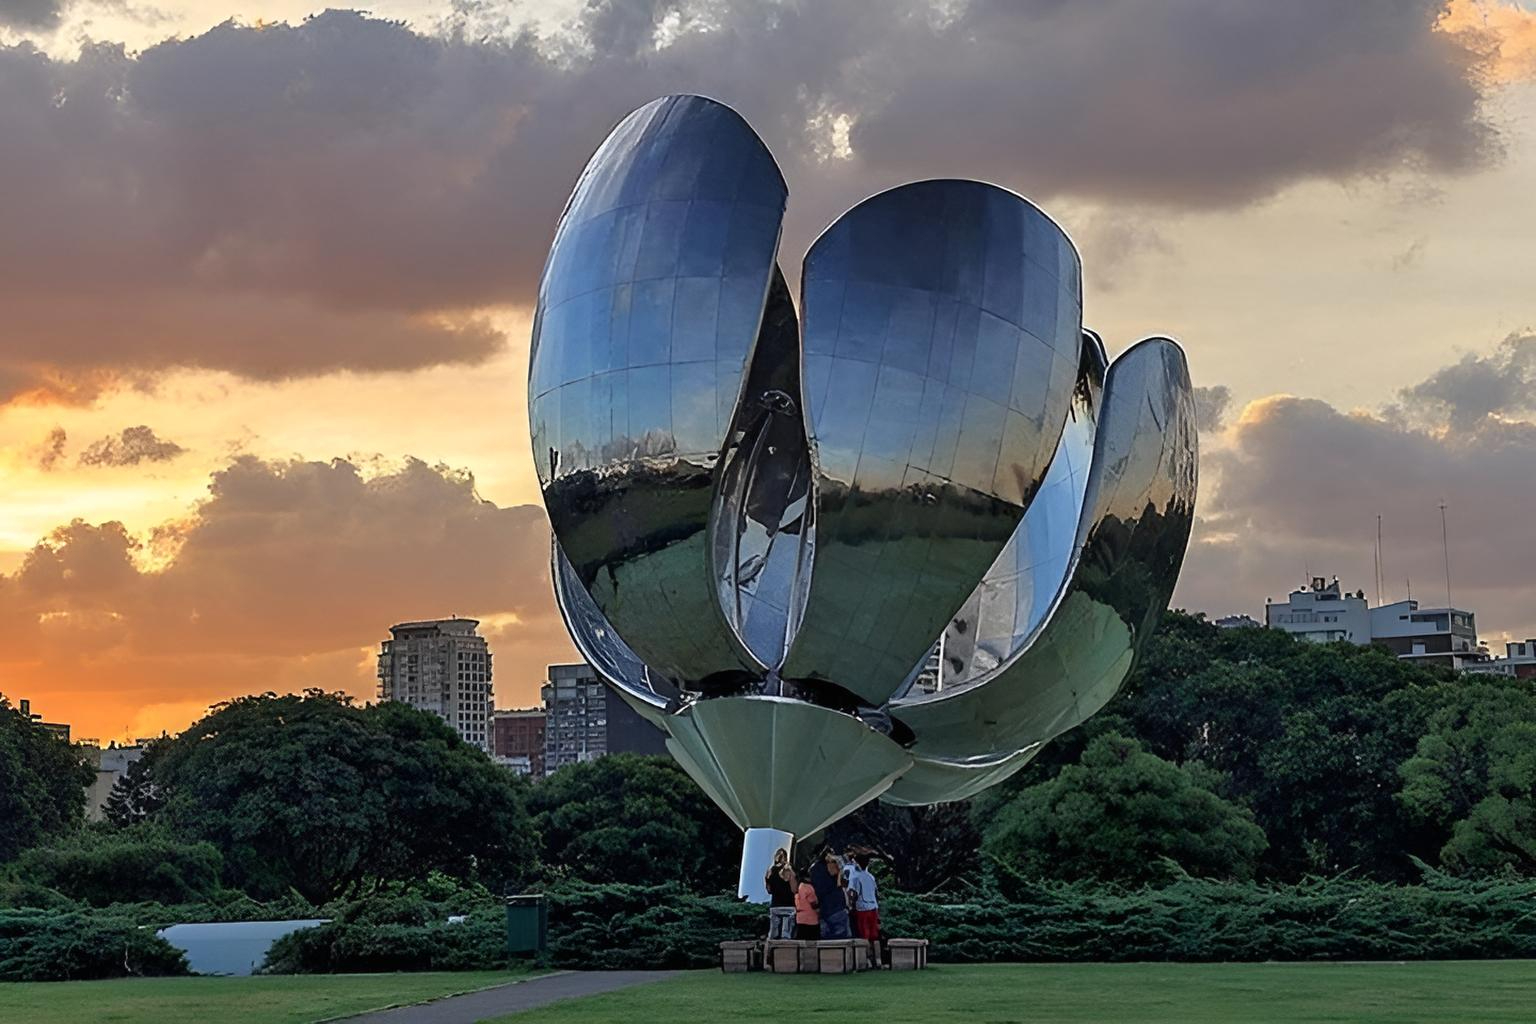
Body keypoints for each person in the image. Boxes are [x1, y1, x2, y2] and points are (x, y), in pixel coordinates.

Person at [809, 847, 851, 940]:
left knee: (825, 941)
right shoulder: (831, 866)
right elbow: (842, 883)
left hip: (823, 908)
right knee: (842, 939)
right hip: (836, 906)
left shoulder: (813, 869)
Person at [847, 852, 882, 951]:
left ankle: (866, 956)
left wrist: (851, 905)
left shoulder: (855, 877)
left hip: (862, 908)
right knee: (874, 934)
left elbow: (854, 893)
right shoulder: (871, 877)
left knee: (864, 933)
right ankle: (877, 957)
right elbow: (875, 893)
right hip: (873, 907)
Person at [764, 848, 796, 940]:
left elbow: (769, 890)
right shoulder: (788, 870)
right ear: (785, 857)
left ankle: (770, 953)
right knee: (786, 937)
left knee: (773, 936)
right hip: (788, 905)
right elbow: (794, 889)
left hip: (775, 905)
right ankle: (785, 953)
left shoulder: (769, 871)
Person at [792, 866, 820, 940]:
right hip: (811, 920)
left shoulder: (798, 887)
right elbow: (814, 903)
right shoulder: (808, 887)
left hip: (800, 919)